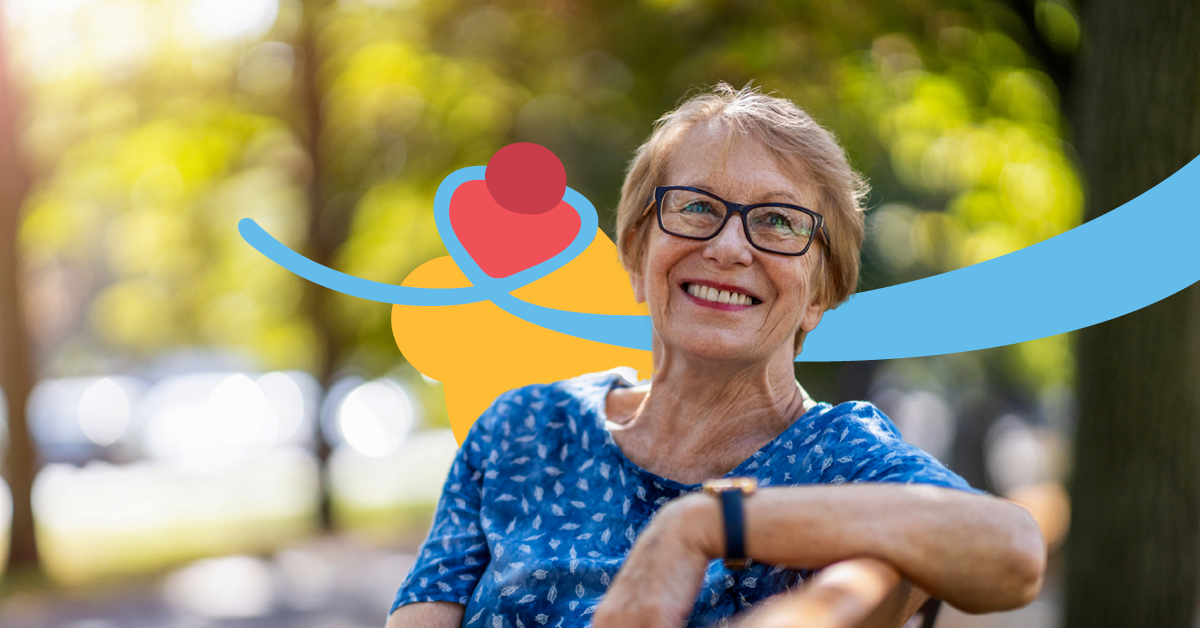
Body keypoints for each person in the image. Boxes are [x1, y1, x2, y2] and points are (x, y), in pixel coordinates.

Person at [384, 83, 1045, 628]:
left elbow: (1013, 551)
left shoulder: (839, 457)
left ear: (821, 293)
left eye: (778, 221)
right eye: (697, 207)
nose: (729, 247)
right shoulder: (523, 427)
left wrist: (706, 524)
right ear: (636, 255)